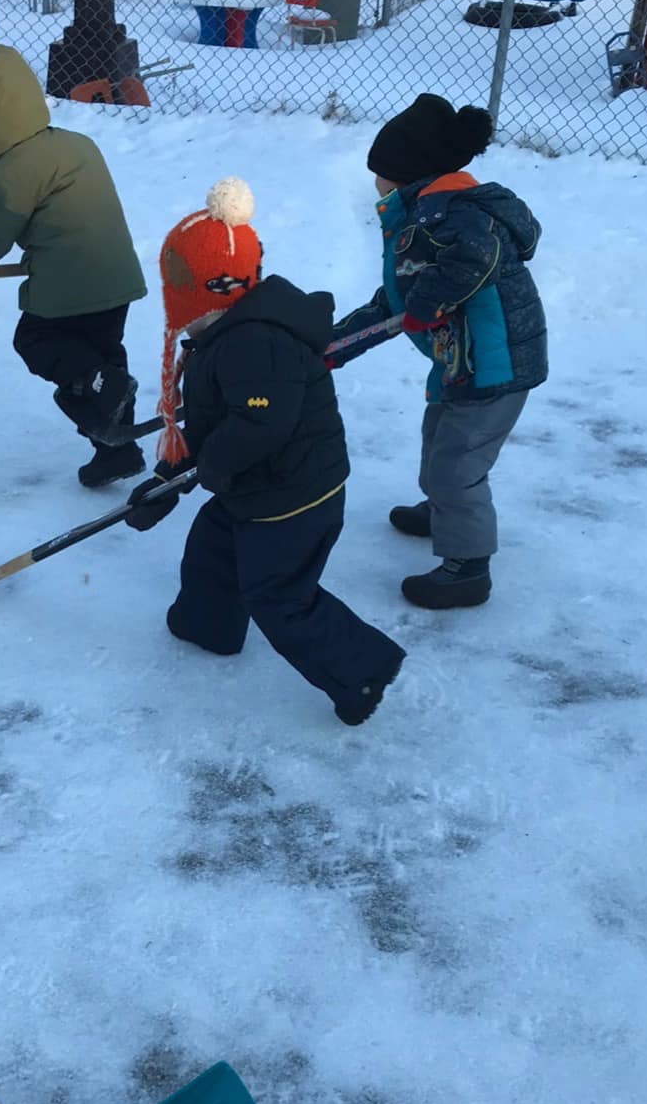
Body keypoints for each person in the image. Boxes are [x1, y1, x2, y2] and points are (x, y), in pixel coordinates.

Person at [124, 179, 405, 727]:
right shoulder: (223, 333)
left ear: (211, 291)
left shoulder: (255, 343)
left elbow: (260, 421)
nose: (180, 318)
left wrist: (211, 467)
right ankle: (207, 628)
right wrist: (167, 478)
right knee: (214, 547)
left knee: (279, 595)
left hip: (295, 495)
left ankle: (363, 668)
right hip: (259, 484)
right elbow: (217, 424)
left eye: (183, 297)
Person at [335, 94, 547, 609]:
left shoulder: (454, 215)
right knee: (439, 441)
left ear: (408, 174)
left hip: (494, 364)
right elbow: (399, 298)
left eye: (380, 174)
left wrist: (427, 305)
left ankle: (468, 568)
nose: (375, 184)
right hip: (461, 360)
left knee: (458, 463)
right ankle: (444, 511)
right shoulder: (425, 214)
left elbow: (476, 261)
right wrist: (332, 346)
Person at [0, 45, 148, 487]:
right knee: (104, 365)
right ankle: (116, 449)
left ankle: (100, 385)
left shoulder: (13, 172)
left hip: (71, 283)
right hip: (117, 279)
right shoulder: (74, 143)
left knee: (37, 341)